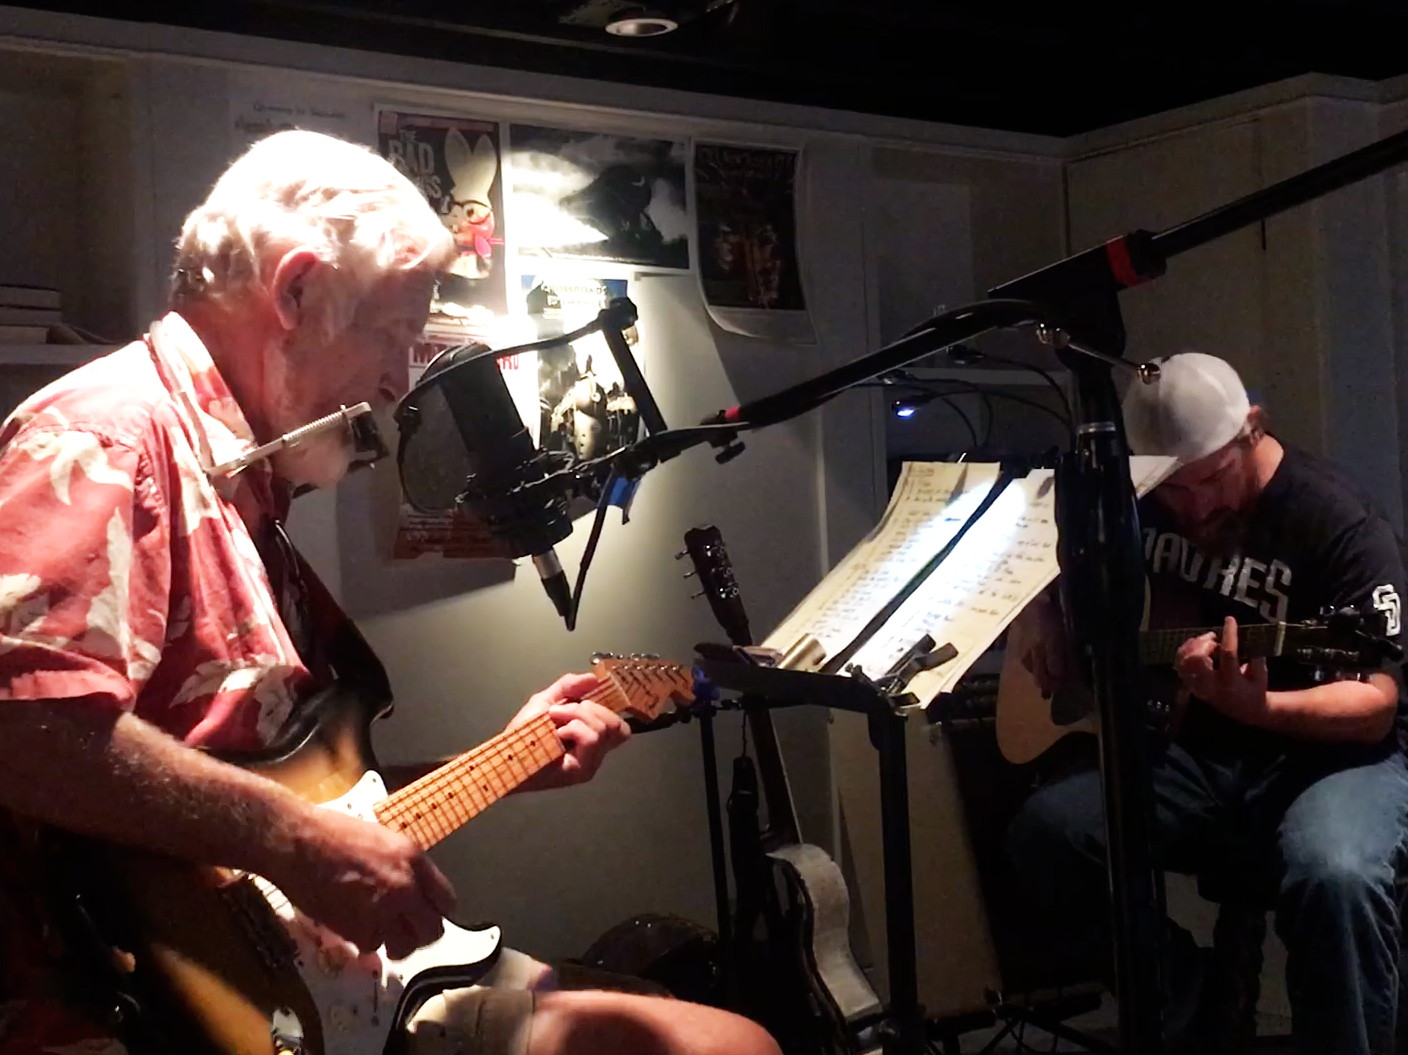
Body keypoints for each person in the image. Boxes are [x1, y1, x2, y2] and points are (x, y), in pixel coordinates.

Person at [0, 130, 779, 1055]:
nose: (394, 380)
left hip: (310, 983)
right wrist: (293, 842)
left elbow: (281, 794)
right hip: (132, 1016)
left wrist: (508, 760)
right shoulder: (110, 438)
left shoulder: (244, 482)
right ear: (295, 292)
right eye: (395, 336)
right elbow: (22, 726)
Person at [1005, 352, 1408, 1054]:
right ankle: (1187, 1009)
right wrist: (1041, 613)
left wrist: (1263, 708)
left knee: (1337, 875)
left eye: (1213, 479)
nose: (1193, 508)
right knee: (1046, 836)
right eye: (1173, 489)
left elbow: (1375, 703)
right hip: (1195, 754)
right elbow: (1045, 542)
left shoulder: (1339, 521)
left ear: (1253, 427)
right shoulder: (1137, 497)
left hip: (1329, 756)